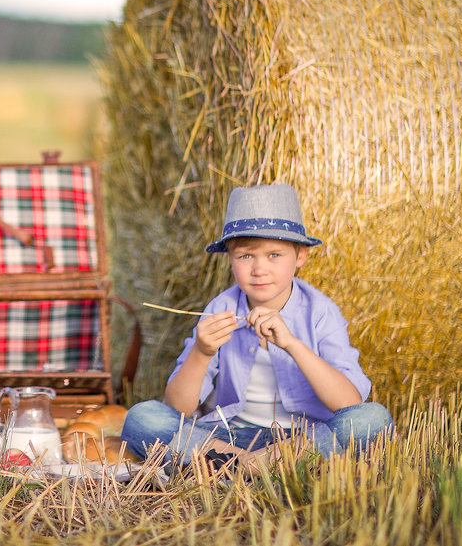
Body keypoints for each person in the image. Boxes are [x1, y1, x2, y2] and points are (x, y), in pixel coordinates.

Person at [121, 183, 392, 472]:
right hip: (228, 437)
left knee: (373, 419)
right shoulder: (220, 308)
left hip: (304, 440)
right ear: (230, 259)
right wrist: (201, 351)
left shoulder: (320, 311)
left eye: (274, 255)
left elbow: (348, 402)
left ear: (300, 256)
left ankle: (239, 467)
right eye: (245, 256)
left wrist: (292, 344)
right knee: (142, 418)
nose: (259, 269)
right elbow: (179, 408)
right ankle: (252, 464)